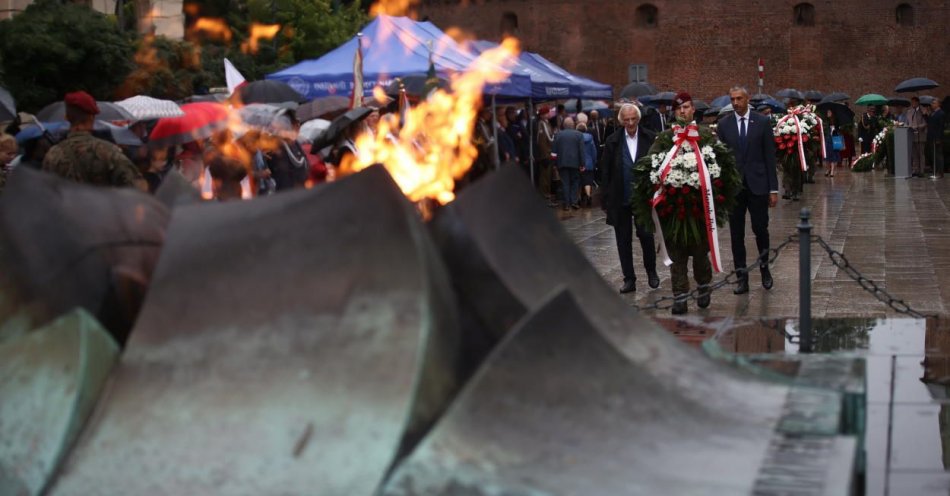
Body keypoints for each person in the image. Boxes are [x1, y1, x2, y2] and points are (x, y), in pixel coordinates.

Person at [717, 86, 778, 294]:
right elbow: (722, 159)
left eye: (739, 98)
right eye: (732, 99)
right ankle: (741, 277)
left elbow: (770, 156)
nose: (735, 103)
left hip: (758, 185)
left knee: (760, 230)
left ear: (747, 99)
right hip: (735, 188)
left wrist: (773, 189)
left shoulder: (761, 122)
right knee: (736, 235)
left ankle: (764, 269)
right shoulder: (724, 125)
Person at [599, 103, 659, 294]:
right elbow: (605, 171)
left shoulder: (649, 137)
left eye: (633, 119)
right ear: (621, 121)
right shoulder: (612, 141)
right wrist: (606, 199)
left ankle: (651, 271)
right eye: (627, 120)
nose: (630, 123)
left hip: (643, 199)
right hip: (620, 198)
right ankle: (629, 279)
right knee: (622, 240)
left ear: (638, 119)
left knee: (646, 236)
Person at [42, 91, 146, 191]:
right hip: (101, 209)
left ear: (66, 118)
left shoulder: (52, 155)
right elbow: (136, 186)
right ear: (91, 117)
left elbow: (47, 193)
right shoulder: (108, 152)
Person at [550, 116, 585, 210]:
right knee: (575, 182)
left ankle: (567, 204)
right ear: (573, 125)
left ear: (564, 125)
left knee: (565, 183)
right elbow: (581, 151)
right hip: (575, 163)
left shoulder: (557, 135)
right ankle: (573, 201)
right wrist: (582, 164)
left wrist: (554, 164)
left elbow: (553, 152)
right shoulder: (579, 135)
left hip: (562, 163)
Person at [576, 122, 597, 206]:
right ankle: (588, 196)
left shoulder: (576, 138)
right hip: (589, 163)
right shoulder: (590, 138)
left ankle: (578, 199)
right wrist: (594, 162)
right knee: (588, 181)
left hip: (578, 163)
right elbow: (594, 151)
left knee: (578, 181)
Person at [927, 96, 945, 177]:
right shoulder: (932, 113)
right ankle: (935, 171)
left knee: (938, 155)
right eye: (932, 103)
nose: (932, 104)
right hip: (931, 137)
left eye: (934, 103)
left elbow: (941, 127)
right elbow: (930, 124)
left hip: (937, 138)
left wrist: (938, 138)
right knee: (933, 155)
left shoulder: (941, 113)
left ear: (938, 104)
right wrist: (927, 115)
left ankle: (940, 172)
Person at [823, 110, 841, 177]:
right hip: (828, 139)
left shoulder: (836, 121)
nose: (828, 113)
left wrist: (835, 129)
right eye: (827, 112)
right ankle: (828, 169)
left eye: (829, 112)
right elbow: (824, 130)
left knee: (833, 155)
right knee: (827, 155)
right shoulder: (826, 121)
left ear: (832, 113)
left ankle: (832, 170)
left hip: (835, 139)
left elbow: (839, 130)